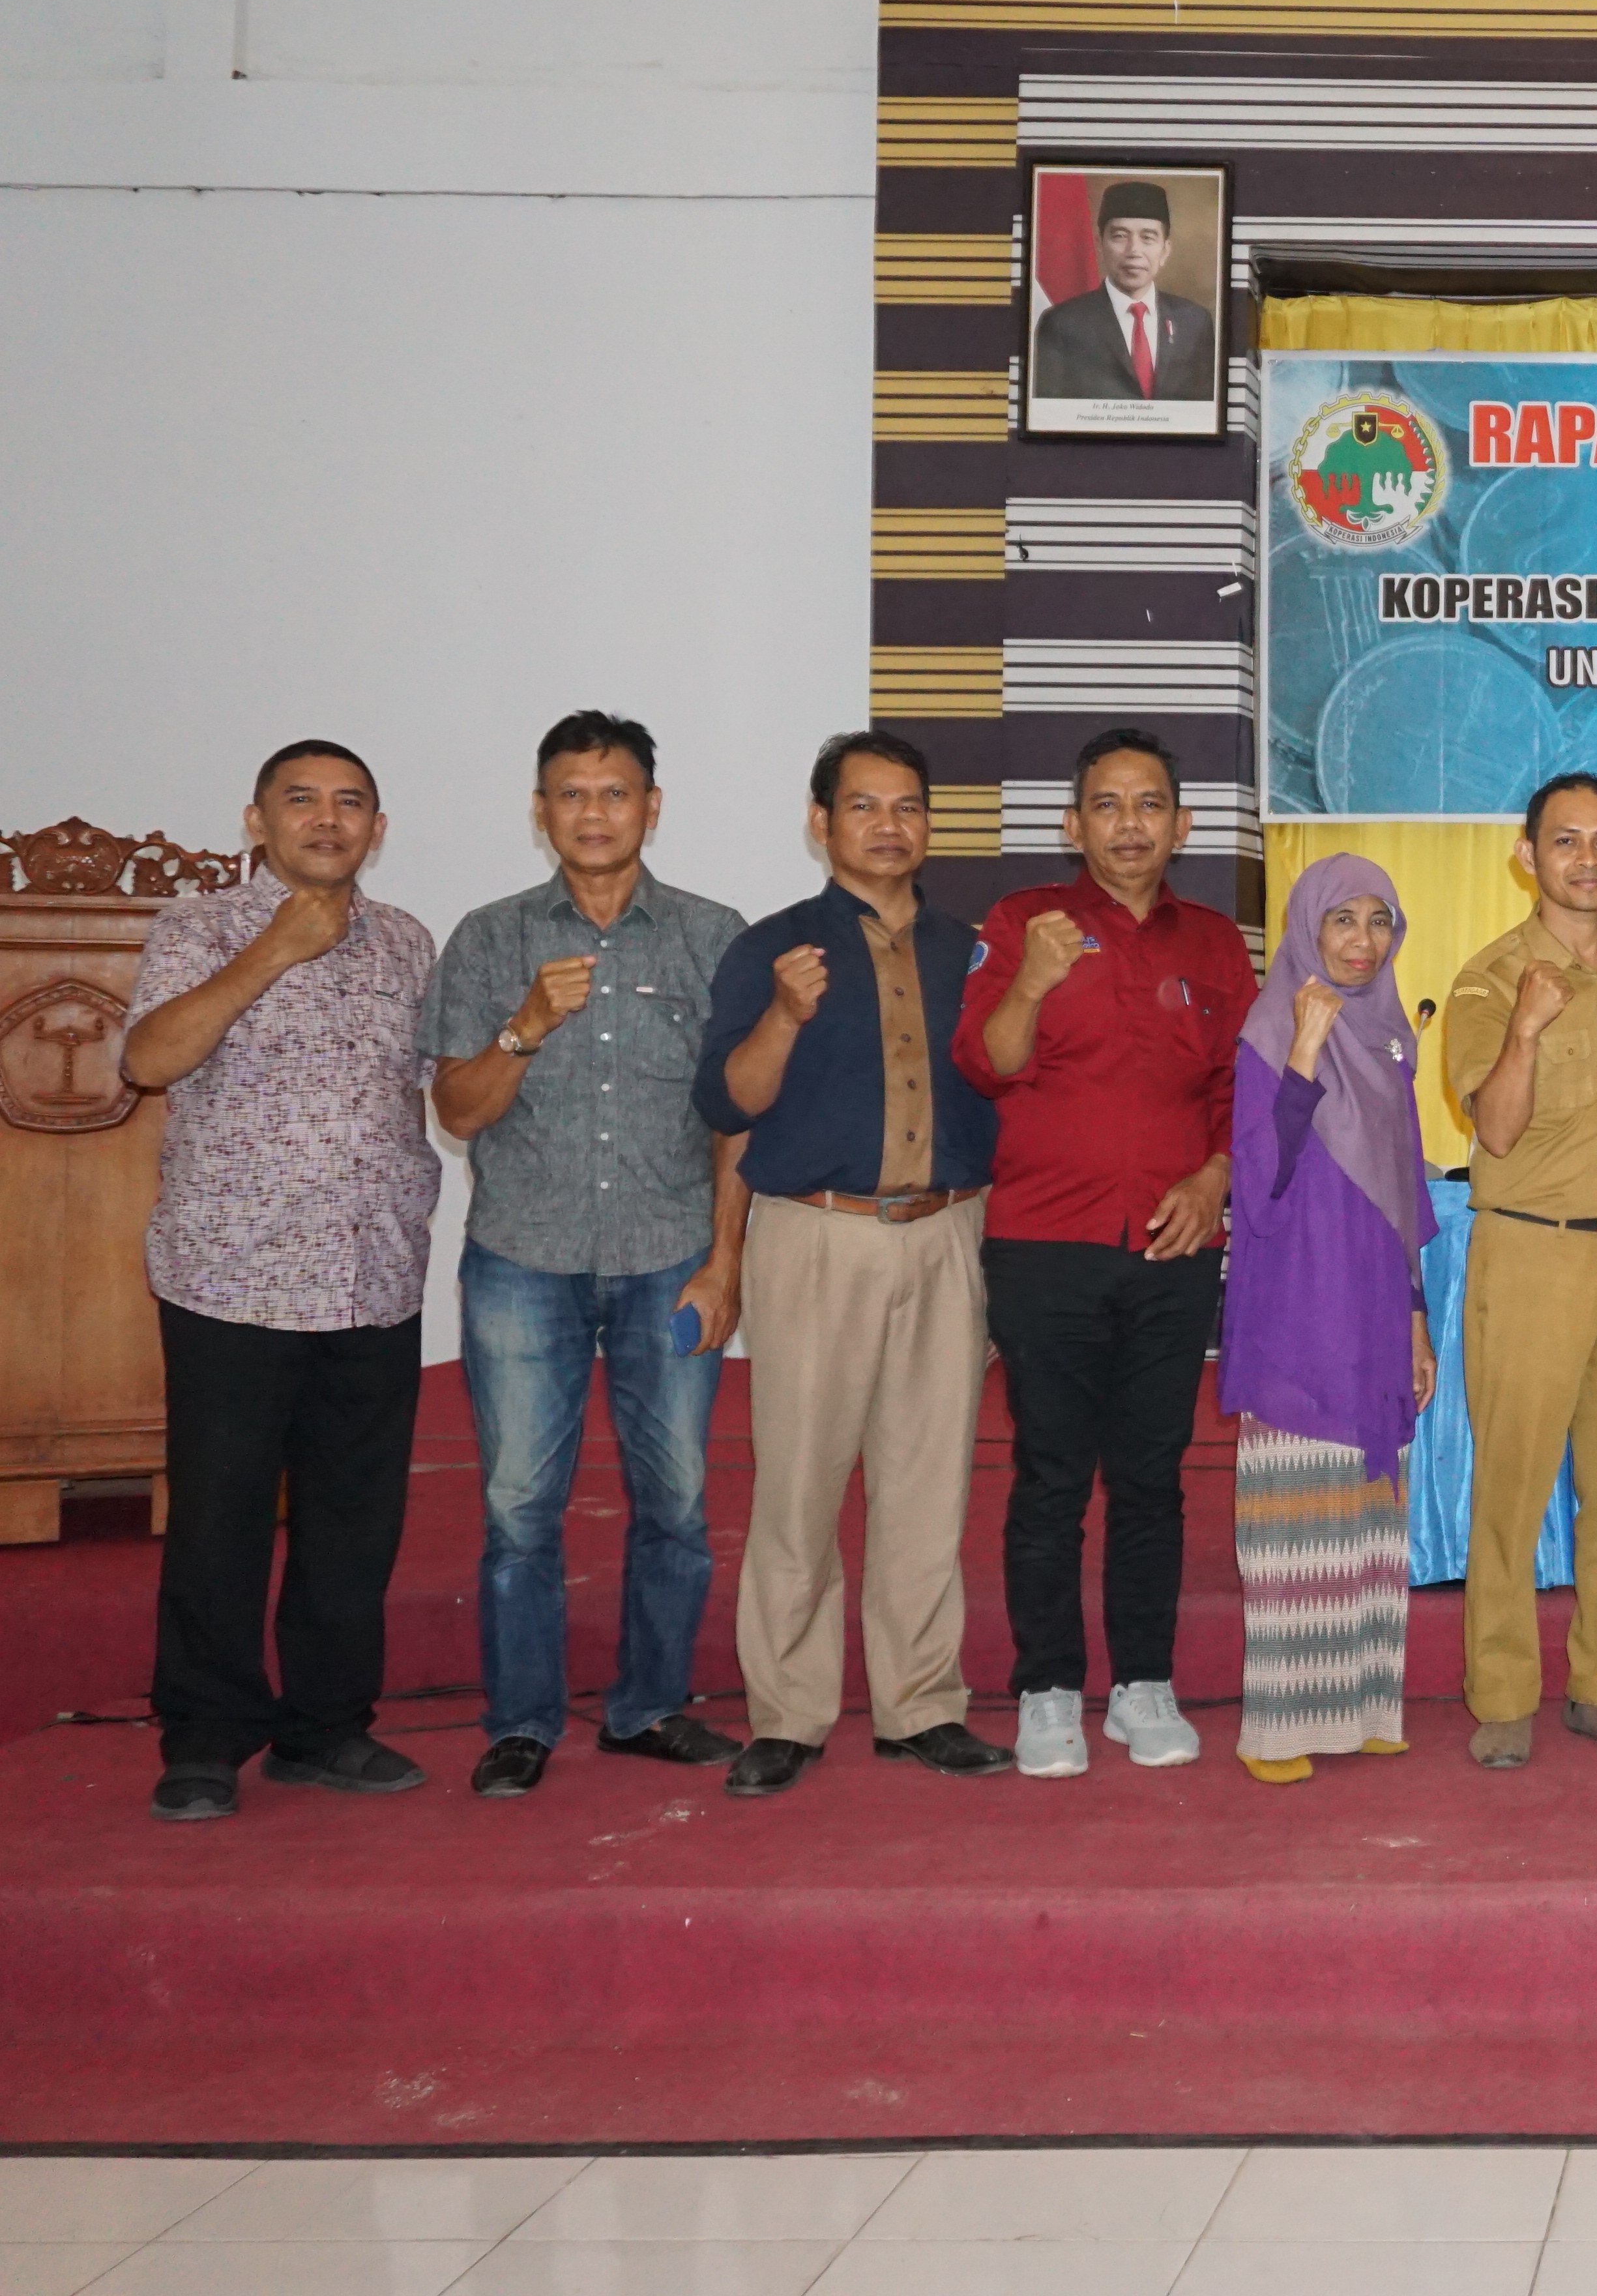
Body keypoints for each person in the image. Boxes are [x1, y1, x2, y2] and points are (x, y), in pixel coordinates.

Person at [425, 711, 752, 1799]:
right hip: (525, 1260)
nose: (595, 812)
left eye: (616, 793)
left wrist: (726, 1263)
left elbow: (735, 1119)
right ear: (541, 811)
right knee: (521, 1506)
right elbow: (459, 1112)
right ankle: (521, 1723)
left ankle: (647, 1709)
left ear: (651, 807)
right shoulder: (489, 938)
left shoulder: (713, 936)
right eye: (572, 793)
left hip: (671, 1257)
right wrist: (522, 1027)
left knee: (679, 1503)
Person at [125, 743, 442, 1823]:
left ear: (378, 827)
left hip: (371, 1276)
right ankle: (207, 1735)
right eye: (301, 801)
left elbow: (428, 1093)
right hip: (233, 1277)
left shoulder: (405, 941)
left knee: (355, 1520)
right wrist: (270, 952)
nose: (327, 819)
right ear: (257, 821)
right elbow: (150, 1060)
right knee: (220, 1517)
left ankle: (326, 1729)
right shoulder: (200, 926)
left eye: (351, 803)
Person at [694, 731, 1010, 1797]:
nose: (890, 826)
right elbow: (729, 1102)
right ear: (821, 822)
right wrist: (785, 1015)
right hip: (816, 1236)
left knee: (929, 1484)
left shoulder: (972, 952)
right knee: (799, 1482)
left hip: (947, 1233)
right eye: (865, 807)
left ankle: (922, 1705)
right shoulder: (772, 950)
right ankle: (787, 1711)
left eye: (909, 806)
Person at [954, 728, 1254, 1779]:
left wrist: (1216, 1179)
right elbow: (987, 1068)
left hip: (1174, 1248)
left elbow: (1238, 1092)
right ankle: (1044, 1691)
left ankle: (1142, 1685)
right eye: (1108, 806)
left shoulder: (1215, 941)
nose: (1130, 825)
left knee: (1152, 1479)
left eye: (1150, 805)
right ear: (1072, 824)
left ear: (1182, 823)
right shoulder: (1020, 924)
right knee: (1047, 1477)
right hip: (1046, 1247)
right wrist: (1030, 983)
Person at [1444, 772, 1597, 1769]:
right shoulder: (1489, 979)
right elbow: (1491, 1131)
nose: (1588, 860)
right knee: (1513, 1483)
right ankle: (1501, 1693)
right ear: (1526, 856)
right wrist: (1529, 1030)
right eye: (1566, 842)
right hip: (1532, 1247)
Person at [1223, 855, 1437, 1781]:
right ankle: (1278, 1726)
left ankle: (1360, 1705)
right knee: (1298, 1508)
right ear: (1307, 926)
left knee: (1366, 1515)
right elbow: (1260, 1187)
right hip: (1298, 1297)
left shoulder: (1392, 1040)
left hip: (1379, 1299)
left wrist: (1420, 1321)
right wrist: (1306, 1052)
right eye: (1341, 920)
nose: (1361, 940)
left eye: (1378, 921)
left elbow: (1406, 1195)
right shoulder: (1270, 1032)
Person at [1031, 177, 1218, 403]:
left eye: (1148, 238)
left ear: (1166, 250)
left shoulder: (1195, 323)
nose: (1134, 251)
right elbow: (1049, 416)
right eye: (1120, 236)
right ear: (1100, 245)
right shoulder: (1062, 324)